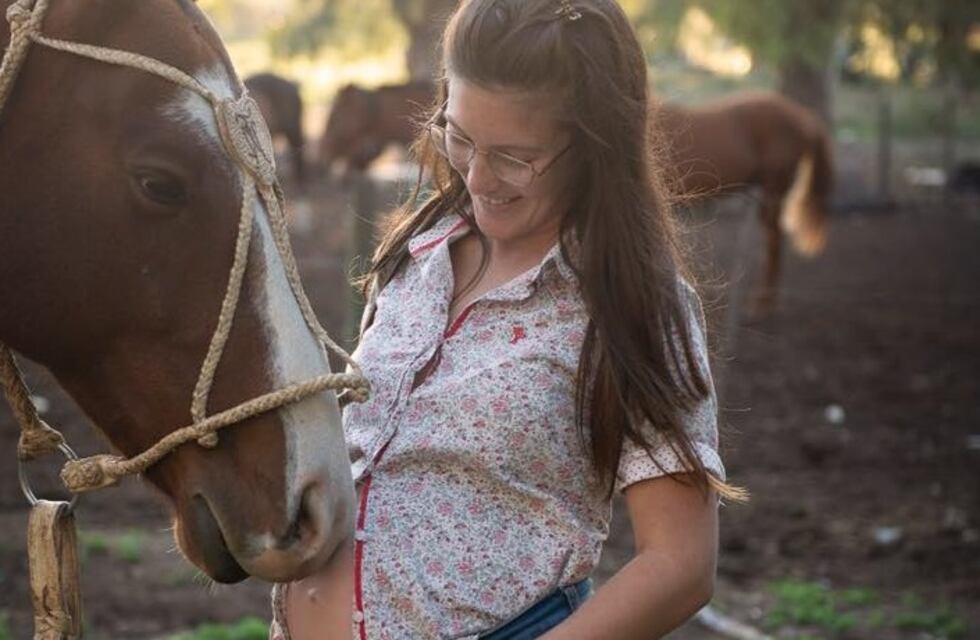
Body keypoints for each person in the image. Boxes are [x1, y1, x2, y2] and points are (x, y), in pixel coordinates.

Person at [271, 0, 744, 638]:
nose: (477, 175)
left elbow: (681, 563)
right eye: (460, 137)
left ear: (595, 144)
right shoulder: (418, 256)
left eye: (515, 157)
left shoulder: (632, 305)